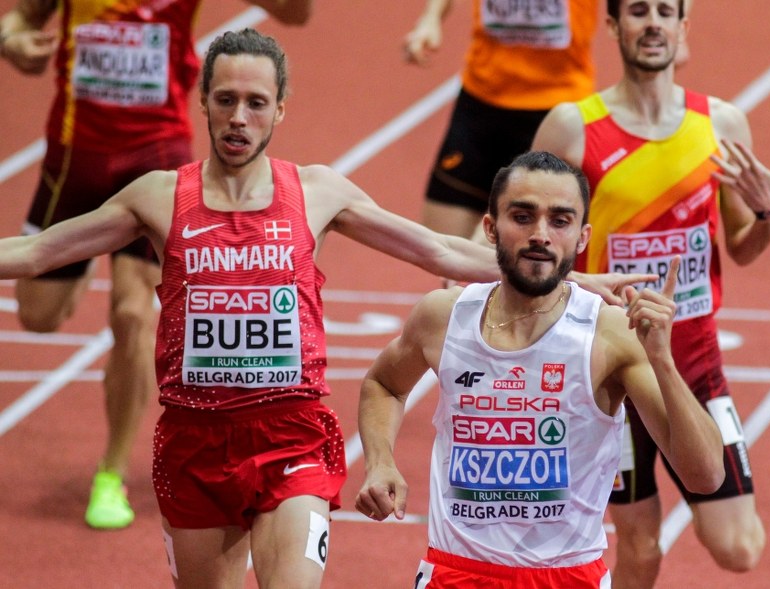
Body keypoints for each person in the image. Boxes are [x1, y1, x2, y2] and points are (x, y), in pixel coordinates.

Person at [0, 30, 650, 588]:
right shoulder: (159, 197)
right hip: (193, 441)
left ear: (280, 109)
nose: (238, 118)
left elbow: (441, 250)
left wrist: (584, 282)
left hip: (291, 437)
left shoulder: (314, 192)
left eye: (255, 103)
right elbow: (35, 254)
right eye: (225, 100)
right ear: (203, 103)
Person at [0, 0, 312, 530]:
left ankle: (110, 472)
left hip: (155, 154)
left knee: (131, 314)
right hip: (75, 155)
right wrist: (13, 41)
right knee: (39, 314)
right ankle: (85, 257)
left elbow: (294, 14)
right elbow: (20, 20)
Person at [355, 151, 725, 588]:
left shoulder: (609, 334)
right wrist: (380, 462)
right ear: (491, 228)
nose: (541, 235)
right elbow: (383, 384)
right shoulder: (443, 317)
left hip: (567, 578)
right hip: (455, 574)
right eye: (523, 216)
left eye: (560, 220)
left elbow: (706, 476)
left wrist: (663, 360)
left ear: (582, 237)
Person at [531, 0, 770, 586]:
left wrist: (768, 213)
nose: (653, 23)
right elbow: (534, 230)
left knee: (739, 547)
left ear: (683, 26)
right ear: (614, 25)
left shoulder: (721, 124)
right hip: (613, 362)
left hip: (694, 360)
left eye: (665, 11)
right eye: (639, 10)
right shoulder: (572, 126)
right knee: (641, 547)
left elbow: (742, 246)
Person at [403, 0, 603, 239]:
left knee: (531, 253)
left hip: (555, 113)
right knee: (439, 247)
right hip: (481, 102)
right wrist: (430, 18)